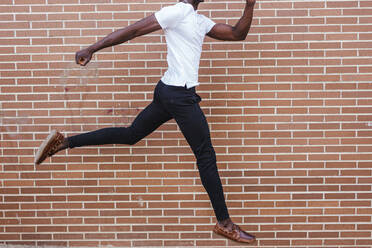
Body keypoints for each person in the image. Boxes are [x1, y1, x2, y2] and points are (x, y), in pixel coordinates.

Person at [35, 0, 257, 243]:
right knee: (206, 155)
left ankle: (63, 142)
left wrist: (249, 5)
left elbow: (238, 34)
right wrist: (92, 48)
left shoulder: (198, 20)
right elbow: (134, 30)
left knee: (131, 135)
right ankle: (225, 223)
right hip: (179, 96)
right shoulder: (176, 11)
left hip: (168, 92)